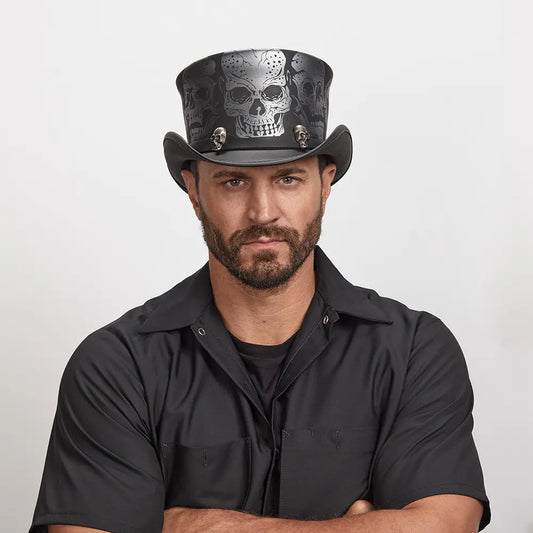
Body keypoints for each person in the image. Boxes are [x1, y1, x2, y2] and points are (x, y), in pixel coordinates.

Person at [29, 49, 490, 533]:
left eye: (288, 179)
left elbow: (446, 524)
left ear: (325, 184)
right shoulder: (116, 366)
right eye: (233, 182)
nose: (263, 211)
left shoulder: (414, 350)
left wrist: (203, 527)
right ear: (194, 190)